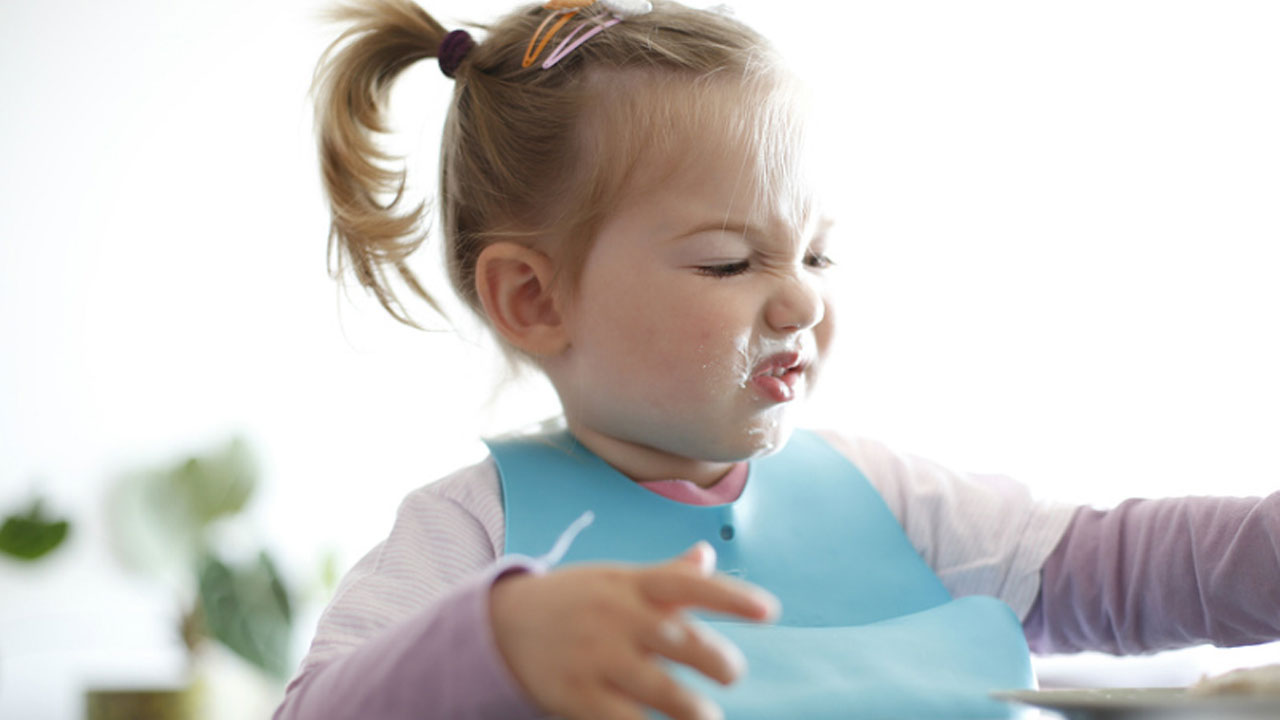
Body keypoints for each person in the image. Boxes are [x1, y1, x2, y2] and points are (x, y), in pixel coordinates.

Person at [276, 1, 1280, 718]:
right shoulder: (472, 533)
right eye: (727, 261)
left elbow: (1121, 574)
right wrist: (501, 645)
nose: (801, 297)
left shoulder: (887, 498)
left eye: (815, 252)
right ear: (533, 299)